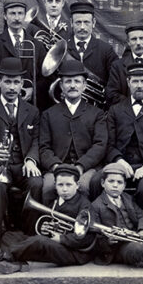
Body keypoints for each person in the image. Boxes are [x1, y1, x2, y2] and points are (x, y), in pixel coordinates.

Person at [0, 164, 94, 274]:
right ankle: (18, 263)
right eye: (60, 185)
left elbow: (88, 238)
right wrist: (46, 228)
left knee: (39, 241)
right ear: (55, 185)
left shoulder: (85, 205)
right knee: (9, 236)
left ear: (77, 185)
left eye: (69, 184)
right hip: (53, 244)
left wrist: (61, 238)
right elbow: (47, 224)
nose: (65, 189)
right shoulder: (54, 201)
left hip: (74, 252)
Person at [0, 58, 43, 248]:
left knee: (37, 183)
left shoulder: (32, 111)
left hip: (22, 164)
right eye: (8, 81)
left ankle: (29, 238)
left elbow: (37, 139)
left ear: (22, 84)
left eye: (16, 82)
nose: (12, 87)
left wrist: (31, 160)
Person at [96, 62, 143, 221]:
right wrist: (119, 160)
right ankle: (105, 227)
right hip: (121, 163)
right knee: (96, 182)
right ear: (128, 83)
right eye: (135, 81)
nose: (139, 85)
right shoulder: (115, 109)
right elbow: (108, 142)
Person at [39, 59, 108, 204]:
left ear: (84, 86)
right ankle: (51, 224)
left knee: (83, 186)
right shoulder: (48, 114)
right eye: (68, 81)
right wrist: (56, 167)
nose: (72, 85)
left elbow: (100, 145)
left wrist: (81, 166)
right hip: (57, 167)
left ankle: (84, 224)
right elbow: (43, 147)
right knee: (49, 188)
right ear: (61, 86)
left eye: (77, 81)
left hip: (87, 168)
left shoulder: (97, 113)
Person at [90, 163, 143, 269]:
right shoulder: (96, 205)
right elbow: (94, 237)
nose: (115, 185)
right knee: (136, 249)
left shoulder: (127, 198)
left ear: (124, 185)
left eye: (119, 182)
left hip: (136, 235)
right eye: (111, 181)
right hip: (119, 248)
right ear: (102, 183)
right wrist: (107, 242)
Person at [0, 0, 48, 106]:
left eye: (20, 13)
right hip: (2, 103)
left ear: (24, 16)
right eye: (12, 13)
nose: (17, 18)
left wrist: (33, 89)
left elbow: (46, 77)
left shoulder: (37, 45)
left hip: (31, 104)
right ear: (5, 16)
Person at [64, 1, 118, 103]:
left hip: (95, 110)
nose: (82, 27)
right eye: (78, 22)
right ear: (71, 23)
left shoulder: (106, 50)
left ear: (93, 23)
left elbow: (114, 82)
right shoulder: (63, 47)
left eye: (86, 22)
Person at [105, 22, 143, 106]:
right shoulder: (117, 66)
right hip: (125, 114)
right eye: (134, 39)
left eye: (142, 38)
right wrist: (132, 106)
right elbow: (111, 93)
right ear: (128, 42)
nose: (138, 43)